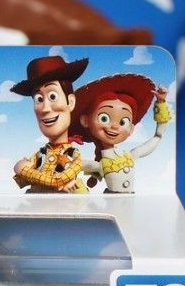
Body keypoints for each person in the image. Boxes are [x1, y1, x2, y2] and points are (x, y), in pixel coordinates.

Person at [69, 74, 171, 193]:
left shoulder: (131, 156)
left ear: (131, 128)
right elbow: (71, 166)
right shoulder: (100, 165)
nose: (114, 126)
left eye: (123, 122)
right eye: (104, 118)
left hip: (130, 200)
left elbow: (158, 136)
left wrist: (161, 103)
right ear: (85, 120)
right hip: (112, 201)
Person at [10, 54, 90, 193]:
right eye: (39, 99)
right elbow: (20, 179)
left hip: (63, 204)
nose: (45, 108)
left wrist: (23, 170)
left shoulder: (73, 154)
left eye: (53, 96)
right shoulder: (40, 154)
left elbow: (58, 180)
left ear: (70, 102)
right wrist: (20, 169)